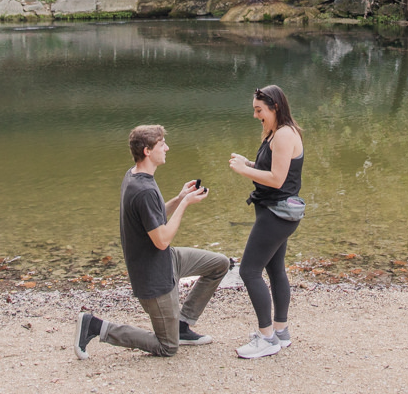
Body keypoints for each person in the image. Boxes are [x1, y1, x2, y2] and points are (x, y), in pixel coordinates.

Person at [74, 124, 230, 359]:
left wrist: (178, 198)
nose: (167, 148)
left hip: (167, 261)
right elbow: (162, 240)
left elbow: (153, 222)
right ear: (147, 151)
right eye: (161, 144)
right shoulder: (143, 190)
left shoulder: (135, 175)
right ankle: (96, 327)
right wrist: (186, 204)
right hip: (154, 278)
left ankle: (182, 325)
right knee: (167, 347)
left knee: (219, 264)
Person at [228, 85, 305, 359]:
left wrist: (244, 170)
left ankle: (266, 337)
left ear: (274, 107)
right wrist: (248, 161)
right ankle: (281, 332)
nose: (255, 115)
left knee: (249, 272)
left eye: (259, 110)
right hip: (274, 212)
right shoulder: (276, 133)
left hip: (277, 214)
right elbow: (272, 169)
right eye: (254, 110)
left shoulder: (284, 135)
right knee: (275, 270)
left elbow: (277, 179)